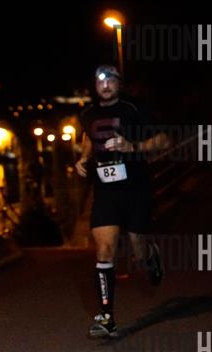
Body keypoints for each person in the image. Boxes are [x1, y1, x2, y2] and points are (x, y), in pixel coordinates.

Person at [75, 65, 168, 338]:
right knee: (104, 250)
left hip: (135, 188)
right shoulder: (88, 113)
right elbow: (88, 137)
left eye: (111, 81)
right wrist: (83, 158)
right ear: (95, 86)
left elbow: (163, 140)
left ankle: (150, 256)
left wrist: (133, 147)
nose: (105, 86)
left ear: (119, 84)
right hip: (105, 191)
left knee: (138, 251)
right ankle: (107, 318)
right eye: (100, 81)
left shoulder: (134, 109)